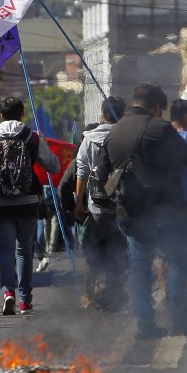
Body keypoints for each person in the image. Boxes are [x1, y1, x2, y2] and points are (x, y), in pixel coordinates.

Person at [105, 83, 187, 339]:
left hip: (128, 210)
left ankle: (145, 324)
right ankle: (179, 322)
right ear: (155, 107)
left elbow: (103, 170)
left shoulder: (115, 130)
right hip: (164, 210)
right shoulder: (159, 128)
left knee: (139, 268)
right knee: (177, 262)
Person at [0, 97, 60, 315]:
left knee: (5, 249)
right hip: (28, 200)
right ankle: (25, 301)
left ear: (1, 115)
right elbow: (53, 166)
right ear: (22, 114)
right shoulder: (31, 136)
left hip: (0, 201)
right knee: (24, 250)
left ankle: (8, 292)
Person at [74, 96, 128, 311]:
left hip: (96, 206)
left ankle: (89, 294)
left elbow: (82, 172)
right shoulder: (125, 138)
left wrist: (79, 203)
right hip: (122, 205)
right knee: (118, 250)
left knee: (95, 251)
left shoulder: (89, 139)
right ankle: (113, 294)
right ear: (122, 114)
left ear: (103, 115)